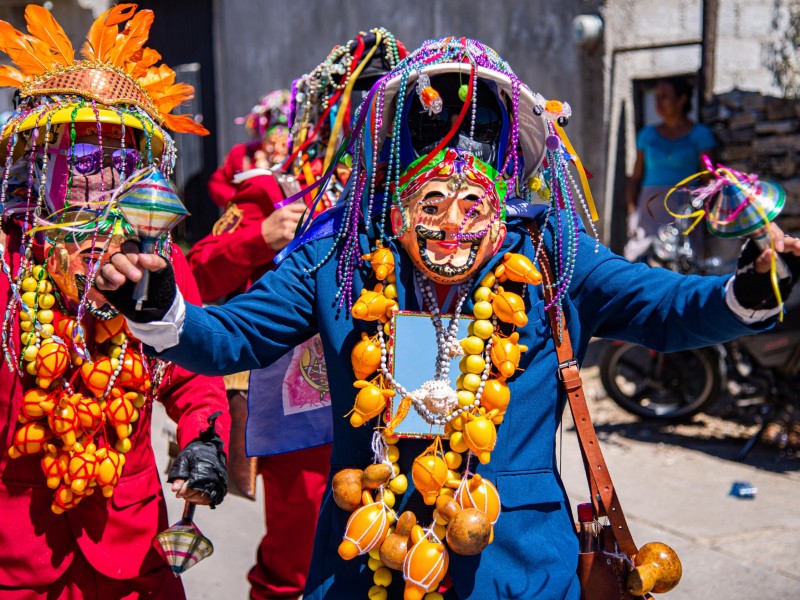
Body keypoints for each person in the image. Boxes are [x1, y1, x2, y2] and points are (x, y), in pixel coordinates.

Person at [97, 38, 800, 599]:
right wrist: (160, 312)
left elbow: (667, 309)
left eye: (473, 201)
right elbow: (230, 337)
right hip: (366, 565)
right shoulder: (342, 260)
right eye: (431, 203)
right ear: (397, 185)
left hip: (516, 572)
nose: (452, 226)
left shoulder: (554, 251)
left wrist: (749, 292)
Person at [0, 5, 229, 598]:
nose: (98, 178)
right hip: (14, 552)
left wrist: (205, 438)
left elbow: (193, 372)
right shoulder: (8, 254)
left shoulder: (157, 256)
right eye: (80, 161)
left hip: (131, 545)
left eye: (118, 163)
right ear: (40, 162)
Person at [187, 30, 407, 599]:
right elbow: (202, 271)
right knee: (300, 555)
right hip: (306, 398)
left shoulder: (426, 192)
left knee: (411, 545)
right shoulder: (280, 189)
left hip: (410, 388)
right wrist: (260, 236)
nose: (370, 115)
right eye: (358, 100)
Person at [624, 77, 717, 261]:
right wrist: (632, 211)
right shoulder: (647, 135)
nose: (657, 102)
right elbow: (636, 177)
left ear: (682, 99)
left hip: (682, 211)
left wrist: (705, 217)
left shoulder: (700, 136)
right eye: (656, 96)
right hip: (648, 212)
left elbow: (709, 182)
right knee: (641, 262)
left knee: (680, 262)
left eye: (664, 96)